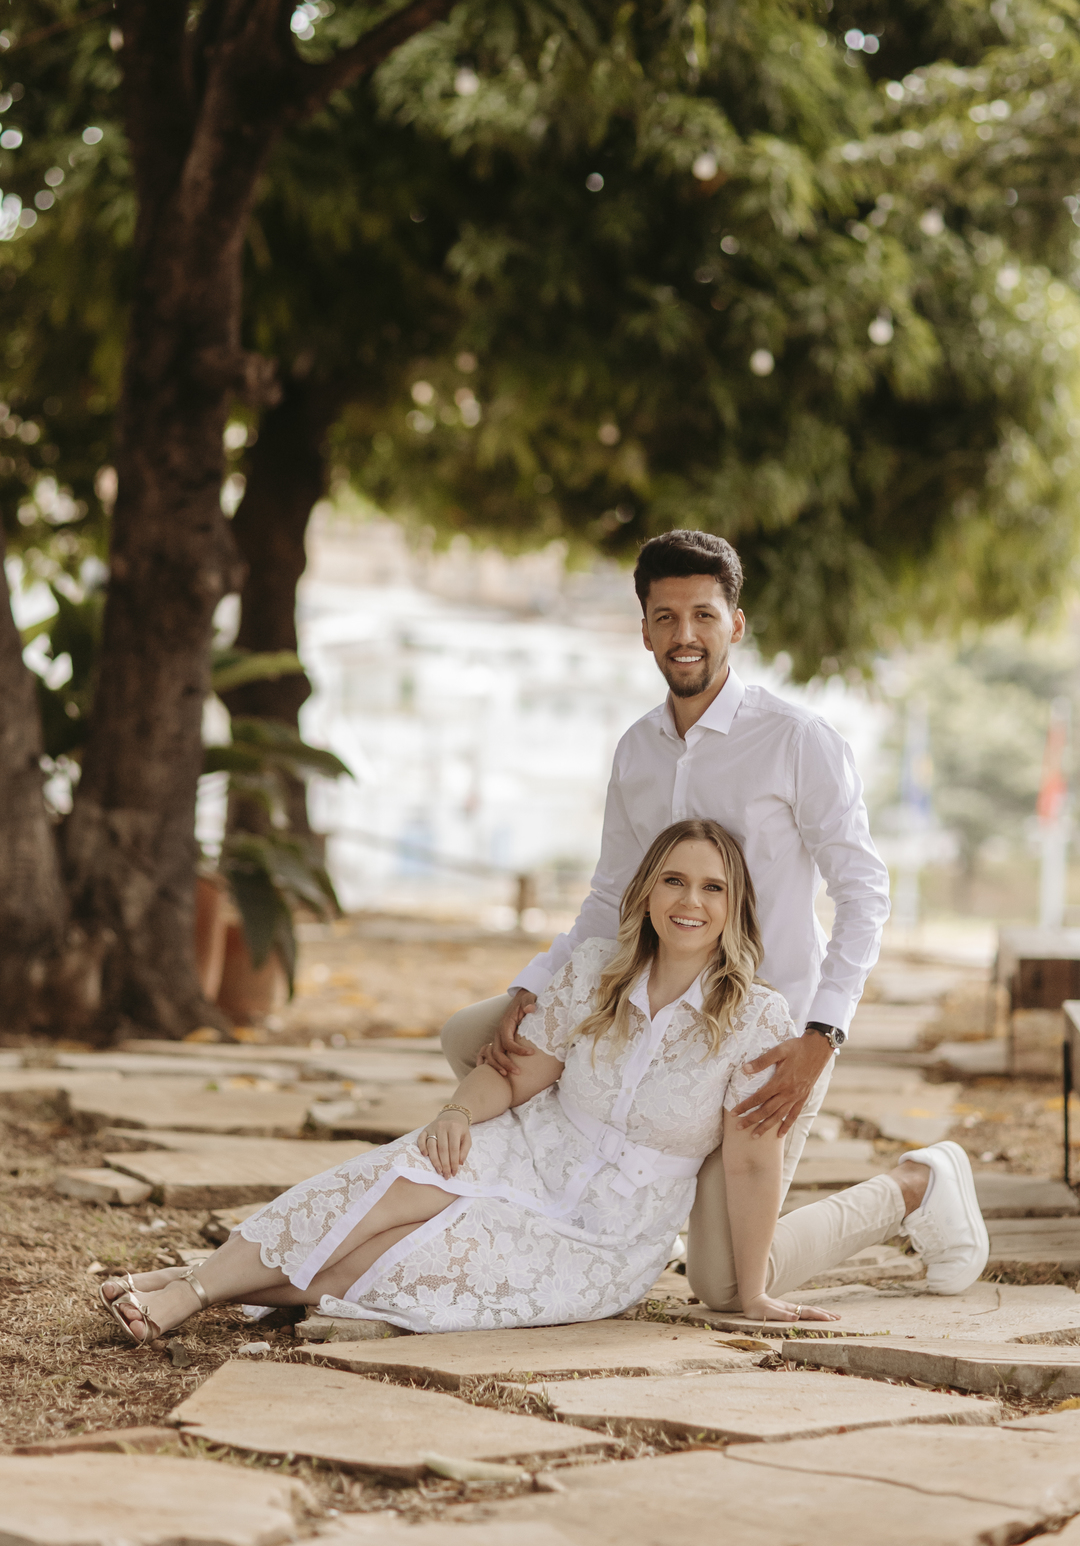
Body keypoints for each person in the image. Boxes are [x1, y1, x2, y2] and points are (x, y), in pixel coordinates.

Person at [99, 820, 986, 1347]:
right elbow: (522, 1073)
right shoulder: (595, 972)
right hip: (530, 1151)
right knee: (384, 1183)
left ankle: (201, 1281)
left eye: (713, 888)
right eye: (675, 880)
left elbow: (752, 1165)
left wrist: (749, 1295)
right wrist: (457, 1112)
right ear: (648, 893)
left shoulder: (758, 1019)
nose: (691, 901)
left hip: (607, 1230)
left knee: (392, 1261)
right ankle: (193, 1292)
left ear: (733, 908)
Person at [441, 528, 896, 1312]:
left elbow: (864, 891)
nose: (686, 634)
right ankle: (585, 1198)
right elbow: (608, 895)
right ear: (645, 631)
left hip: (762, 1033)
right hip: (645, 1010)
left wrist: (822, 1036)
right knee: (472, 1038)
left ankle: (918, 1186)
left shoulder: (797, 741)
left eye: (704, 615)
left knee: (723, 1285)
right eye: (666, 617)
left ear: (735, 625)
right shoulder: (637, 750)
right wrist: (534, 986)